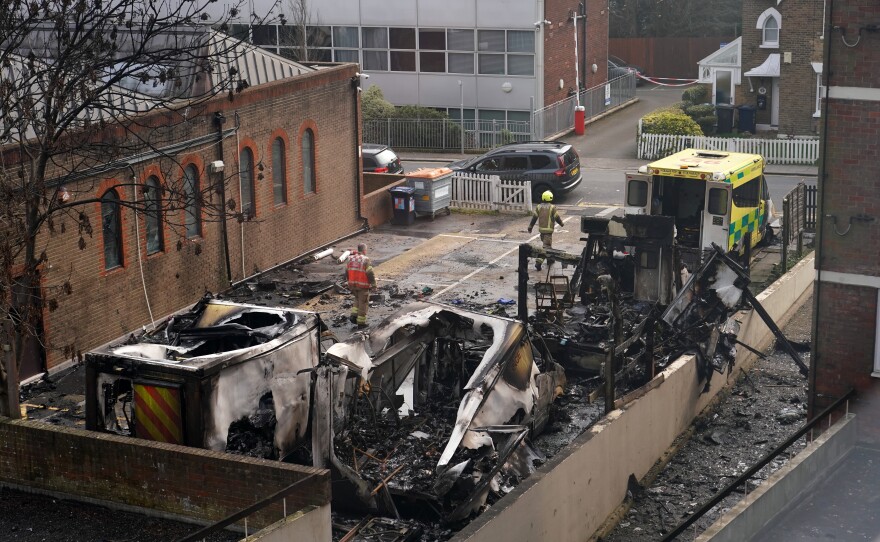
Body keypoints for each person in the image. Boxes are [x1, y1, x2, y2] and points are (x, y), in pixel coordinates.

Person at [528, 190, 564, 271]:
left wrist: (530, 227)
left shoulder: (538, 207)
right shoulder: (552, 207)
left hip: (541, 231)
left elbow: (534, 218)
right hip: (548, 231)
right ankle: (538, 262)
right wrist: (561, 223)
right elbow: (557, 217)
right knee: (546, 247)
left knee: (547, 245)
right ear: (550, 198)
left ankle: (550, 259)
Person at [346, 243, 376, 328]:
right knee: (363, 303)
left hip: (352, 284)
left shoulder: (350, 258)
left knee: (357, 299)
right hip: (362, 286)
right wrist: (374, 284)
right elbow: (370, 273)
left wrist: (349, 281)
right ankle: (361, 323)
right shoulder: (365, 260)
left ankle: (354, 316)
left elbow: (346, 271)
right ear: (364, 250)